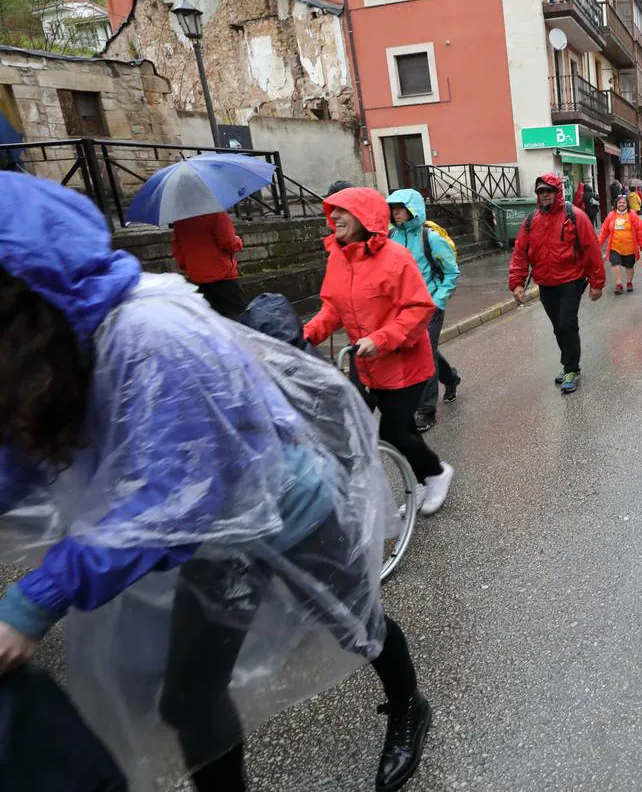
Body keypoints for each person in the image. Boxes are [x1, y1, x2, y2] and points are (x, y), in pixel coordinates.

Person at [0, 174, 430, 792]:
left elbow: (167, 496)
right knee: (190, 695)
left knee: (356, 623)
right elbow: (22, 456)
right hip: (215, 536)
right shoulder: (63, 342)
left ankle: (410, 707)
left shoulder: (152, 335)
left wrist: (35, 598)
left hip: (286, 510)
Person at [305, 187, 456, 516]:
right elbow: (332, 309)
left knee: (392, 430)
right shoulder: (338, 257)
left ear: (365, 217)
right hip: (365, 364)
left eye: (344, 210)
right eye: (333, 211)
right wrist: (304, 335)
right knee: (386, 428)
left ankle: (437, 473)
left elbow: (419, 309)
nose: (335, 217)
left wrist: (381, 339)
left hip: (404, 365)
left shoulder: (396, 258)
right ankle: (418, 479)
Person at [508, 173, 606, 393]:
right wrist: (517, 282)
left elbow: (591, 249)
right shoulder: (531, 221)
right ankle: (567, 363)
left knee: (566, 323)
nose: (545, 196)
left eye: (549, 191)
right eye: (541, 192)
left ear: (557, 192)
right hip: (546, 283)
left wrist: (597, 282)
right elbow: (520, 253)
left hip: (571, 280)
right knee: (557, 327)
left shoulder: (575, 216)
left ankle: (572, 368)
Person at [387, 188, 462, 433]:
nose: (395, 212)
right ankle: (451, 378)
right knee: (427, 351)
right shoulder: (390, 236)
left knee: (424, 356)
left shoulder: (430, 237)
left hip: (429, 307)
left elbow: (451, 272)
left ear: (413, 209)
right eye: (393, 208)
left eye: (400, 208)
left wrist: (437, 301)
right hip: (402, 310)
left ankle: (427, 410)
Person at [171, 211, 246, 319]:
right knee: (238, 319)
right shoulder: (217, 213)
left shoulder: (180, 219)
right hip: (223, 276)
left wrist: (190, 267)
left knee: (212, 321)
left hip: (197, 278)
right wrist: (238, 241)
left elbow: (178, 251)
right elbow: (229, 243)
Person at [599, 193, 642, 294]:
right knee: (615, 263)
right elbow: (604, 231)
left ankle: (629, 282)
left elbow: (639, 231)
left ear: (627, 204)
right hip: (615, 246)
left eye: (623, 203)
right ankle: (619, 284)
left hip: (629, 247)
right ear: (616, 204)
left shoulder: (632, 215)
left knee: (629, 266)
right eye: (619, 203)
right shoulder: (611, 215)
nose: (621, 204)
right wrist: (598, 244)